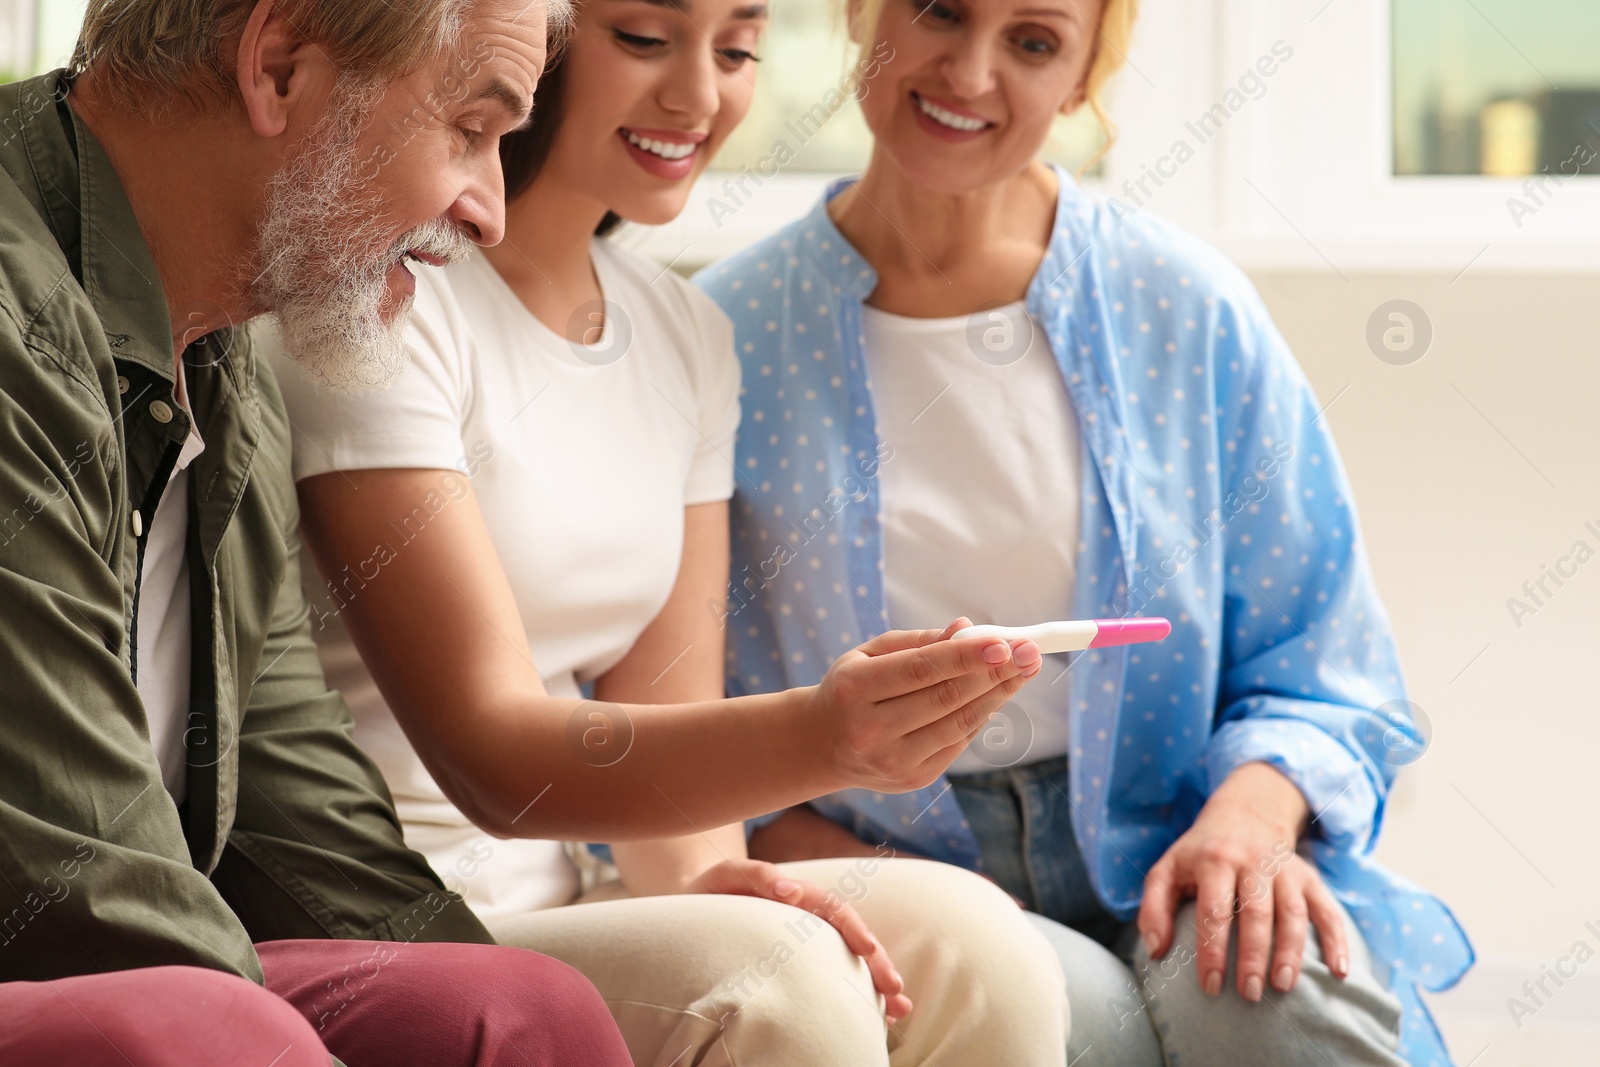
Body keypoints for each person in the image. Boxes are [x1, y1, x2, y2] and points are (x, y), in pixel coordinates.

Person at [264, 0, 1071, 1063]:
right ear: (530, 40)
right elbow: (496, 753)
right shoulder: (387, 300)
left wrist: (706, 878)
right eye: (644, 38)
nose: (698, 95)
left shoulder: (686, 334)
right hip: (403, 909)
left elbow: (663, 715)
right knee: (779, 995)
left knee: (979, 947)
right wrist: (827, 735)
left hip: (570, 888)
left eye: (736, 51)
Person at [695, 0, 1475, 1064]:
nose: (969, 73)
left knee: (1275, 1000)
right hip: (882, 862)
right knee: (1082, 1026)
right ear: (860, 15)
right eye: (938, 12)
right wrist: (803, 848)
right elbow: (670, 709)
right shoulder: (727, 332)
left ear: (1079, 82)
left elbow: (1322, 661)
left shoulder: (1187, 306)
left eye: (1032, 42)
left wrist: (1249, 819)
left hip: (1178, 836)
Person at [0, 0, 634, 1062]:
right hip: (78, 970)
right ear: (282, 66)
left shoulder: (226, 371)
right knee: (206, 1024)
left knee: (520, 1010)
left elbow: (321, 849)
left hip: (122, 978)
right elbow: (83, 878)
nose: (490, 212)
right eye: (470, 131)